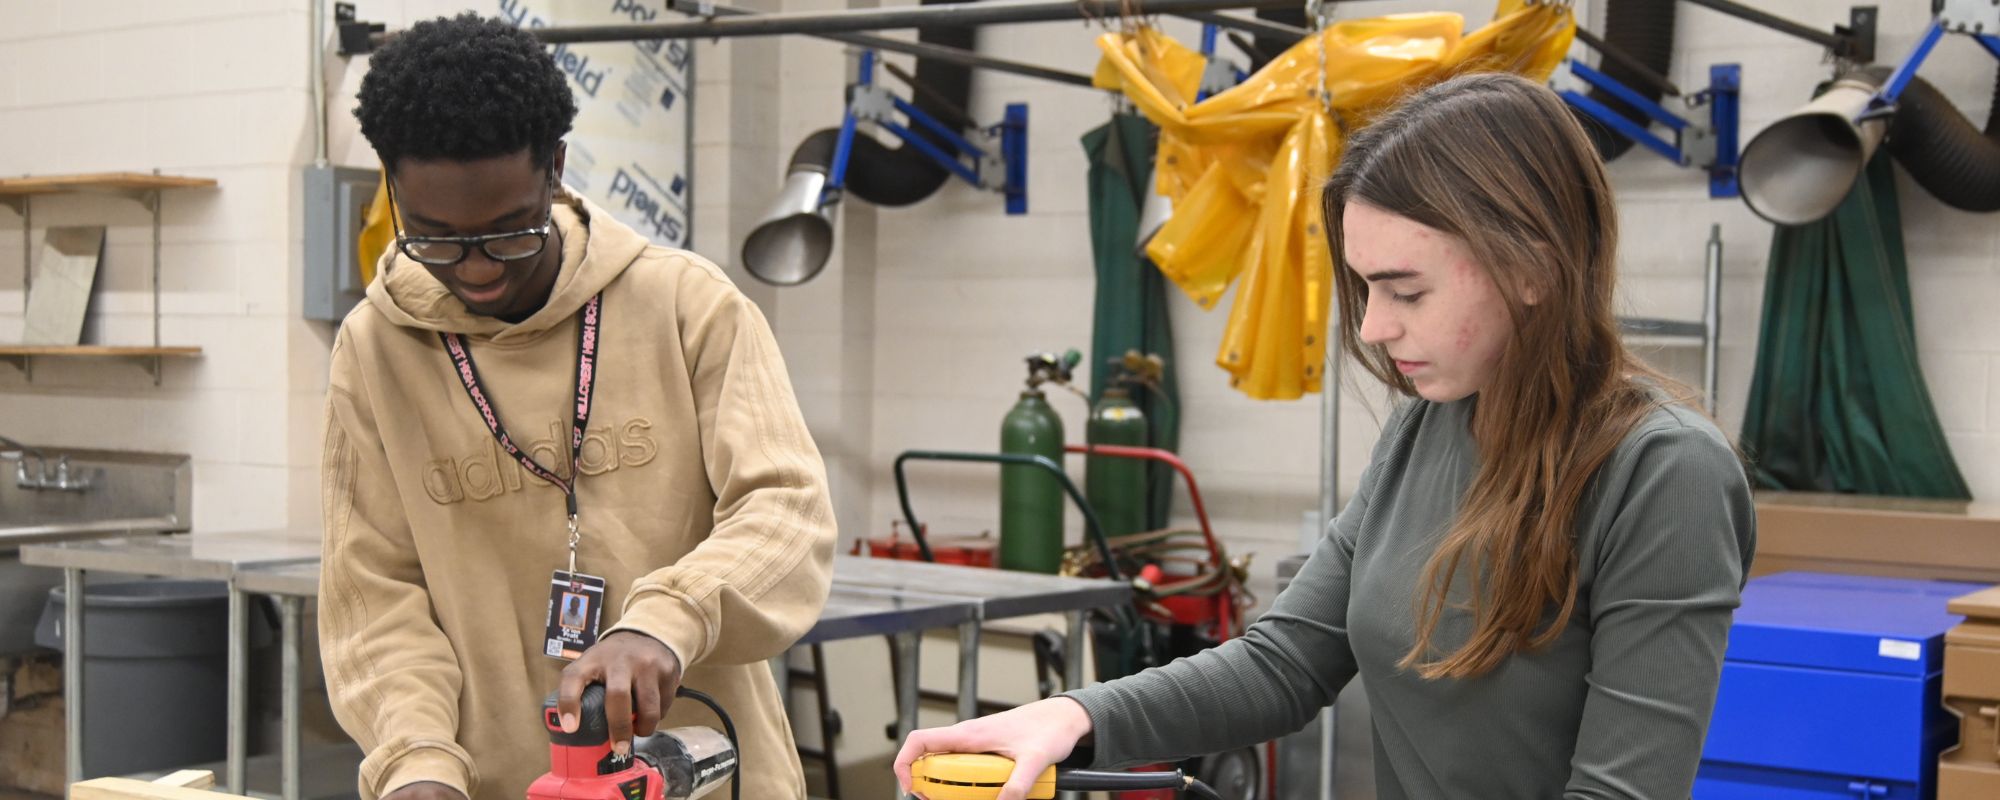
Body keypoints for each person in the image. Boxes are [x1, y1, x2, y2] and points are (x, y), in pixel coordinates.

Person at [895, 72, 1755, 800]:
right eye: (1364, 289)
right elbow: (1287, 661)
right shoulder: (1428, 426)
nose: (1374, 326)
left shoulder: (1661, 472)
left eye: (1406, 291)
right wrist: (1077, 716)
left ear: (1532, 265)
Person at [320, 14, 835, 800]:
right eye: (437, 238)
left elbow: (786, 511)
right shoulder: (375, 349)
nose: (479, 270)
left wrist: (670, 617)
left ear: (555, 168)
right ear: (392, 185)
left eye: (506, 232)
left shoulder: (685, 305)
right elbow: (375, 594)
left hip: (699, 782)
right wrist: (415, 761)